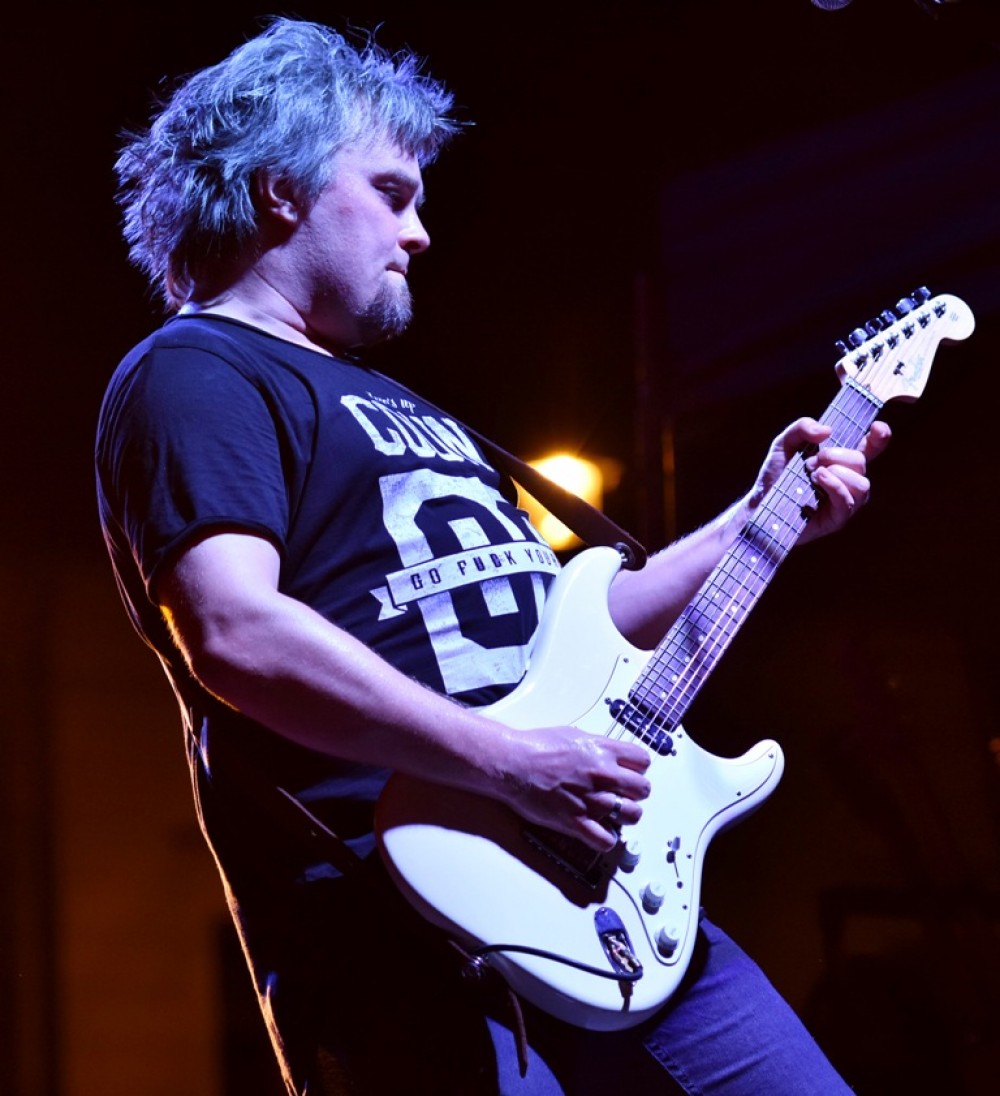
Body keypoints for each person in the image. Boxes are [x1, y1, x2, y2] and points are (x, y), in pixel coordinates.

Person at [96, 17, 890, 1095]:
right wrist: (509, 764)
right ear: (281, 190)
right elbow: (235, 631)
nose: (420, 232)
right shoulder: (196, 369)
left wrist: (759, 516)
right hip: (405, 924)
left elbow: (582, 625)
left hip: (606, 887)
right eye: (391, 193)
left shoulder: (414, 409)